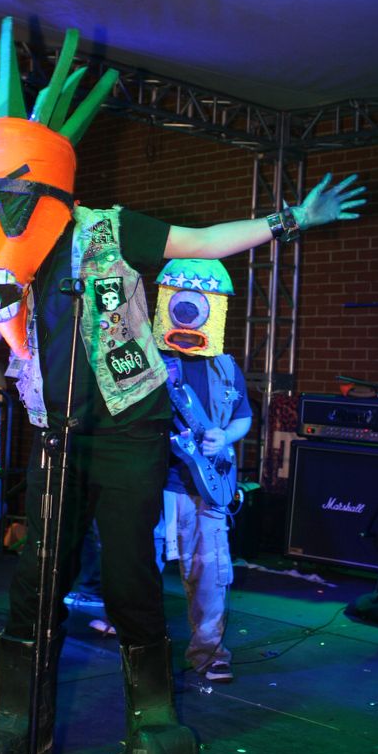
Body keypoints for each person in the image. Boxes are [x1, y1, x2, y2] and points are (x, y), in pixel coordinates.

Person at [0, 17, 367, 754]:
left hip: (129, 431)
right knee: (38, 577)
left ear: (41, 185)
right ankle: (18, 718)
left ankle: (154, 717)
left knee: (131, 573)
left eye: (8, 192)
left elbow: (201, 241)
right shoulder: (3, 264)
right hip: (57, 435)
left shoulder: (108, 231)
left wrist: (291, 219)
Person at [153, 258, 252, 684]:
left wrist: (224, 437)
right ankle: (139, 651)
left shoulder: (225, 366)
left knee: (211, 574)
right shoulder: (149, 361)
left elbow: (244, 418)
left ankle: (210, 654)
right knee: (139, 569)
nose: (188, 311)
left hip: (207, 487)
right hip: (154, 484)